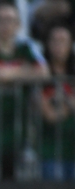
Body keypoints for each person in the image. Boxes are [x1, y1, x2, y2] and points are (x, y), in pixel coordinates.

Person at [0, 1, 48, 181]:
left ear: (18, 24)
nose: (6, 25)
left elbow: (43, 72)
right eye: (1, 20)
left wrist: (8, 73)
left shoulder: (28, 47)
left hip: (19, 127)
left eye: (10, 20)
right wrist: (25, 70)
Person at [37, 23, 75, 180]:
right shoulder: (41, 75)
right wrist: (71, 103)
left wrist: (63, 99)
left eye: (63, 41)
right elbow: (50, 116)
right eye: (54, 40)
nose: (58, 45)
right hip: (49, 150)